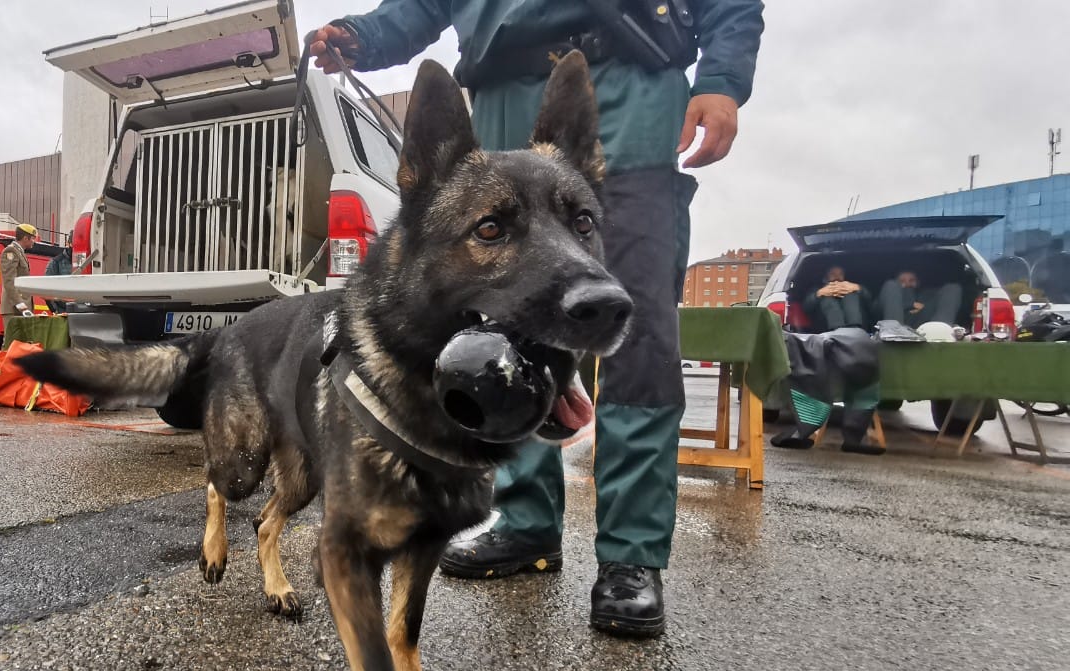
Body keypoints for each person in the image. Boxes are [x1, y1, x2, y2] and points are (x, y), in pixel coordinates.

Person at [310, 0, 764, 638]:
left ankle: (631, 555)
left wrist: (722, 80)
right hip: (501, 81)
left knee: (636, 336)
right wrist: (363, 35)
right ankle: (525, 522)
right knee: (496, 323)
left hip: (633, 82)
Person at [878, 270, 961, 329]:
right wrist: (910, 304)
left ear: (918, 282)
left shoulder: (928, 296)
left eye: (911, 280)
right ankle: (894, 332)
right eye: (902, 281)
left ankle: (939, 330)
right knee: (890, 284)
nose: (907, 284)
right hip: (892, 325)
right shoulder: (888, 292)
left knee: (953, 288)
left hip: (925, 327)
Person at [804, 265, 869, 330]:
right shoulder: (816, 289)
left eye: (840, 274)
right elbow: (807, 307)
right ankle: (837, 330)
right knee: (827, 298)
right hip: (827, 332)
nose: (837, 277)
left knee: (851, 295)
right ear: (825, 277)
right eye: (833, 274)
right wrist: (819, 293)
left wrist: (859, 288)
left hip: (858, 332)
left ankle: (855, 328)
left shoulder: (852, 288)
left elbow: (870, 303)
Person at [0, 224, 36, 318]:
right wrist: (20, 304)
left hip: (20, 308)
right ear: (25, 238)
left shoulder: (19, 252)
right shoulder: (11, 251)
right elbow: (9, 280)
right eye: (32, 238)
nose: (34, 241)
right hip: (14, 308)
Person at [43, 242, 73, 314]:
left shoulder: (85, 261)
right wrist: (55, 310)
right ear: (69, 244)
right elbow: (46, 289)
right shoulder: (56, 262)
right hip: (62, 311)